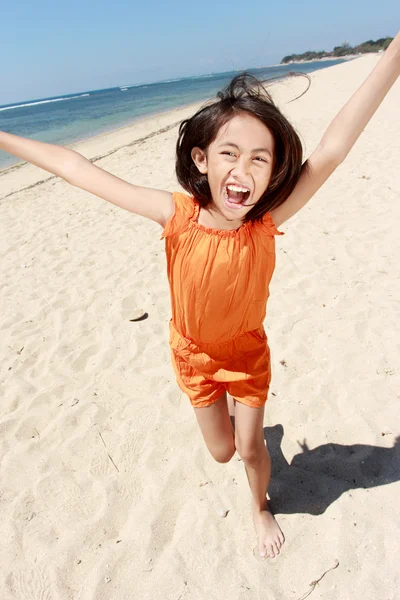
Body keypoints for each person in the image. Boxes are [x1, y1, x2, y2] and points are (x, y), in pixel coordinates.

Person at [1, 32, 399, 559]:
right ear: (202, 158)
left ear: (275, 169)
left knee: (251, 451)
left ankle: (259, 506)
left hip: (246, 353)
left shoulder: (265, 222)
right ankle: (242, 431)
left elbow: (333, 149)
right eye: (229, 153)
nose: (243, 170)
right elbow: (76, 167)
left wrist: (393, 56)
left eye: (261, 158)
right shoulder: (175, 215)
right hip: (192, 356)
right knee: (220, 451)